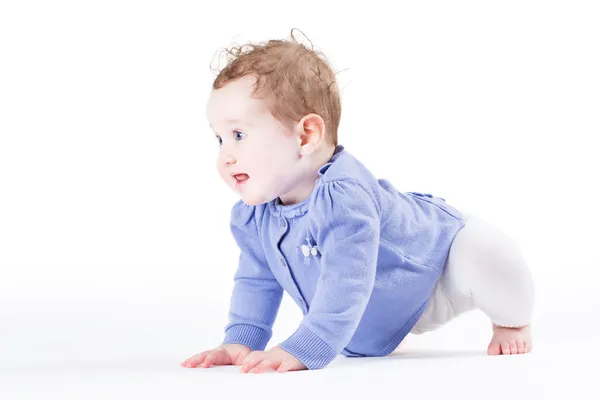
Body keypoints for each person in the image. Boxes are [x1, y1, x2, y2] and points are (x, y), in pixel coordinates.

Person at [181, 30, 535, 373]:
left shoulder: (343, 196)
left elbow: (346, 279)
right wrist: (242, 341)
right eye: (220, 139)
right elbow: (257, 278)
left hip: (439, 272)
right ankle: (389, 329)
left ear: (306, 135)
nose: (226, 156)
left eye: (239, 135)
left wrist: (307, 345)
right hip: (384, 305)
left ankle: (513, 320)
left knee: (488, 253)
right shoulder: (257, 215)